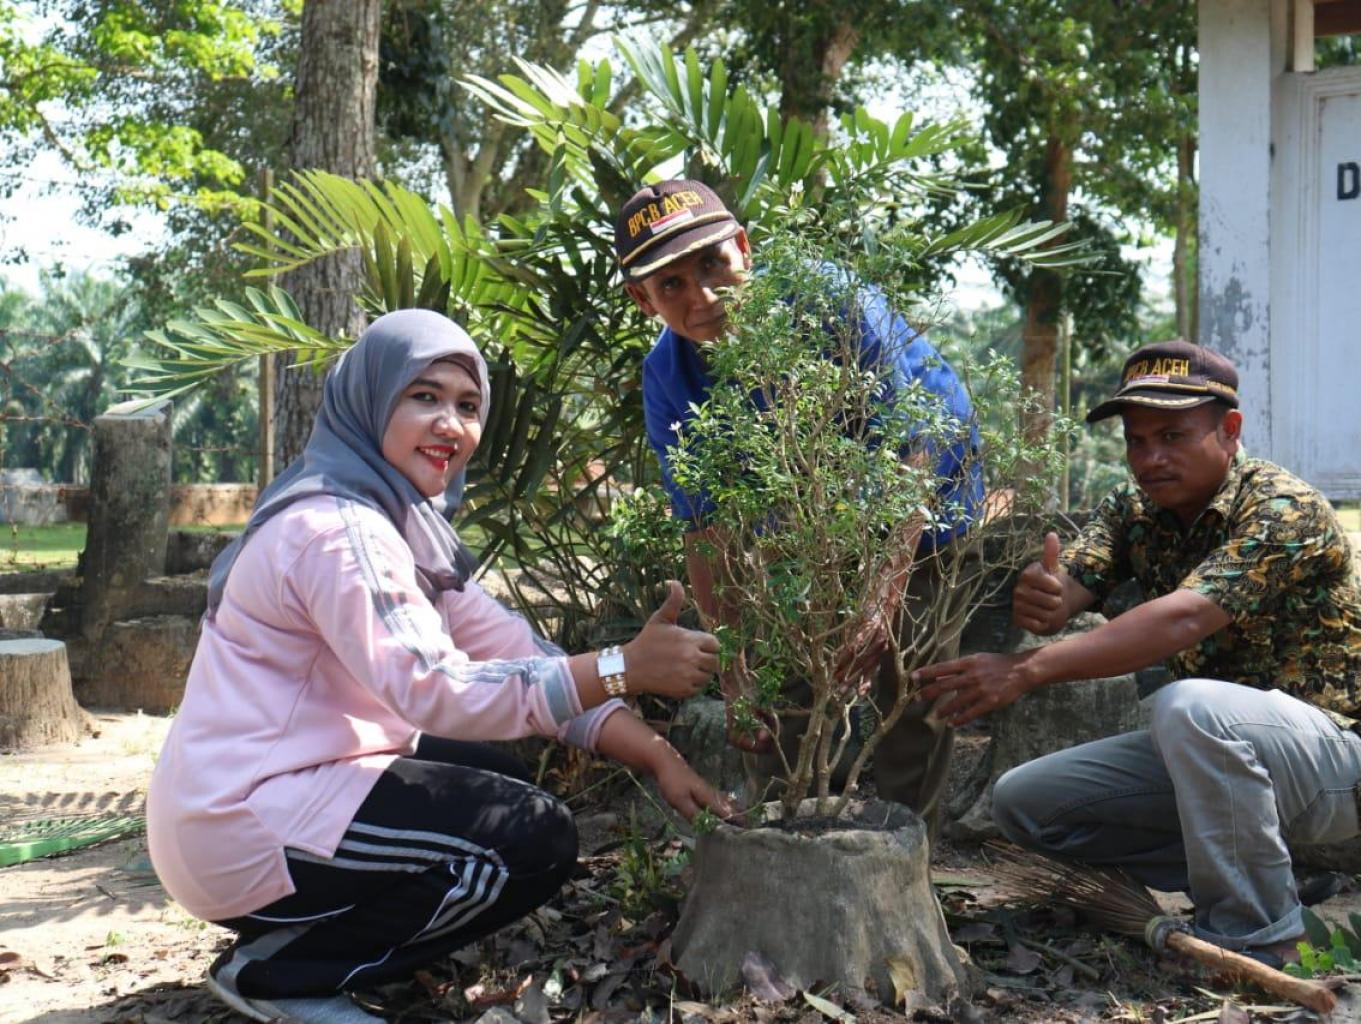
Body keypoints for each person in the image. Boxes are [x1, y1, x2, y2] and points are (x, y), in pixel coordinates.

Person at [146, 309, 731, 1024]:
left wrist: (657, 753)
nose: (449, 424)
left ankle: (313, 932)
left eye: (467, 404)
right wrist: (620, 667)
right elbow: (437, 690)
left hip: (276, 790)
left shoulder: (396, 523)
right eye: (423, 396)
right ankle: (285, 974)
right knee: (530, 836)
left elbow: (514, 649)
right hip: (242, 820)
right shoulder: (337, 531)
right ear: (368, 400)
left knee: (500, 784)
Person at [914, 338, 1361, 964]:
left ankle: (1259, 940)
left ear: (1229, 431)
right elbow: (1071, 585)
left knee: (1187, 707)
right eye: (1136, 440)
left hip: (1334, 759)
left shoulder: (1284, 508)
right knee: (1028, 804)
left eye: (1173, 437)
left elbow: (1182, 620)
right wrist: (1046, 598)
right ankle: (1268, 877)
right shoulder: (1133, 507)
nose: (1150, 458)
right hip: (1214, 756)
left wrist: (1027, 669)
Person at [614, 178, 983, 825]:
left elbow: (913, 453)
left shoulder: (829, 301)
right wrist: (735, 672)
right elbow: (707, 530)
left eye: (711, 264)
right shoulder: (666, 381)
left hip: (922, 491)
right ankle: (798, 824)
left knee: (909, 668)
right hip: (804, 518)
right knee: (780, 665)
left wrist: (876, 601)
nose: (700, 296)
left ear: (744, 249)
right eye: (670, 284)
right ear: (641, 300)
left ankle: (905, 841)